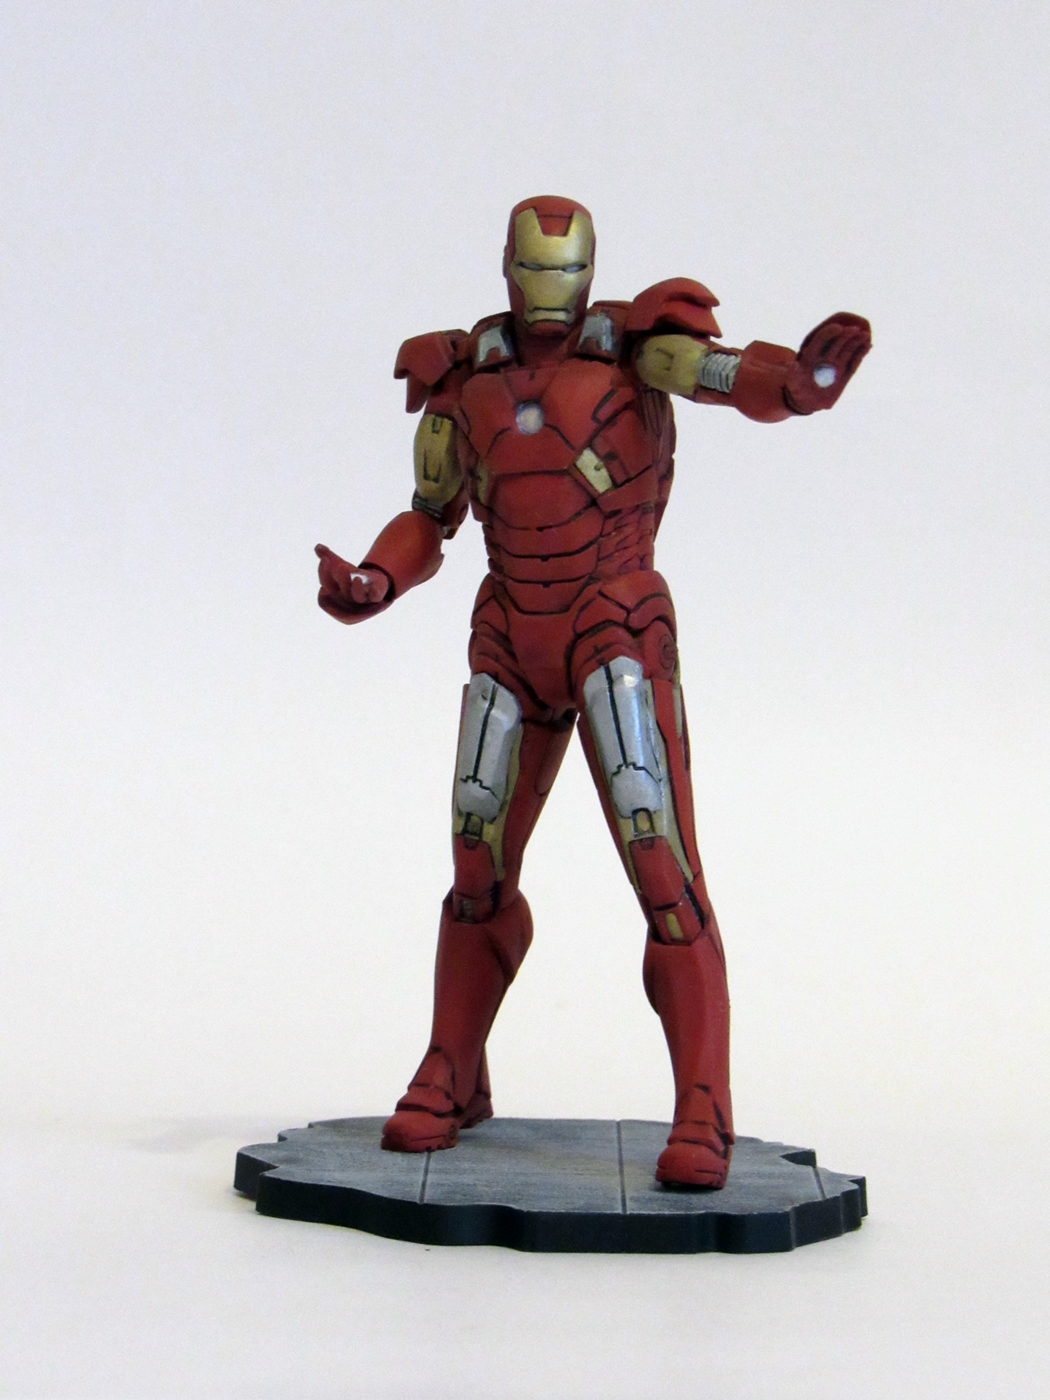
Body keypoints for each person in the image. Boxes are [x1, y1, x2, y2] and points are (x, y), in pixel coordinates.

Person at [315, 196, 870, 1187]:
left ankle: (703, 1099)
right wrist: (375, 579)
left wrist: (798, 384)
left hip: (612, 620)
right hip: (510, 628)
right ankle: (453, 1067)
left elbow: (722, 373)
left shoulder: (637, 348)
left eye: (562, 274)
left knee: (660, 860)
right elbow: (430, 515)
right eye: (534, 272)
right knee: (476, 856)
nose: (548, 294)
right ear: (506, 269)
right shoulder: (462, 378)